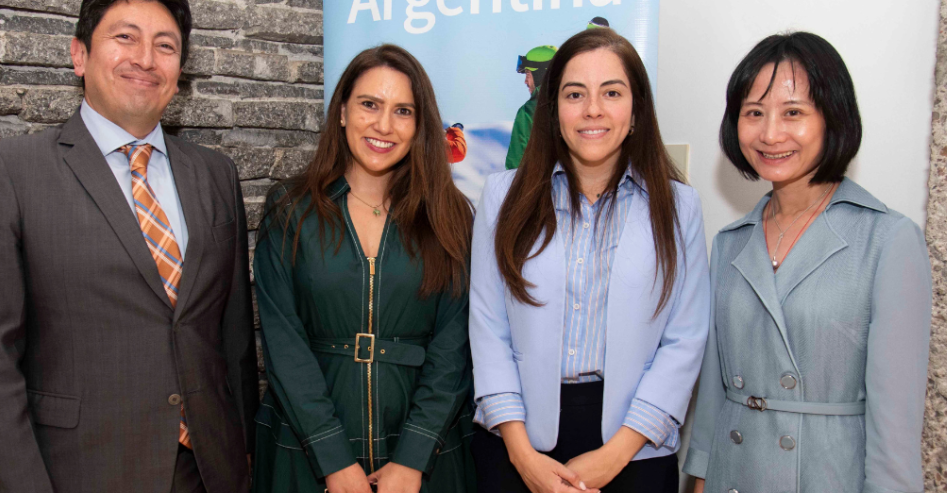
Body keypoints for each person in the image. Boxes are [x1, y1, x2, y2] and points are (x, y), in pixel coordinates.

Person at [0, 0, 258, 493]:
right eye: (124, 37)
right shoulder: (9, 171)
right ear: (79, 55)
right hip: (80, 471)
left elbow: (232, 337)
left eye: (165, 45)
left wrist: (243, 453)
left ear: (180, 70)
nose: (145, 59)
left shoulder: (214, 173)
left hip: (209, 470)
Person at [681, 32, 932, 493]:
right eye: (754, 113)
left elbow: (894, 426)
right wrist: (698, 474)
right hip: (732, 475)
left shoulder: (887, 240)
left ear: (832, 118)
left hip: (827, 475)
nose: (770, 133)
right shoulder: (730, 243)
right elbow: (714, 392)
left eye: (793, 112)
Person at [470, 28, 710, 493]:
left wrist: (616, 455)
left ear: (636, 109)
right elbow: (487, 327)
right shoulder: (503, 197)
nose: (592, 109)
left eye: (612, 93)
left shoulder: (680, 207)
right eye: (574, 93)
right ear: (554, 109)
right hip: (515, 439)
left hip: (635, 444)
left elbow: (685, 340)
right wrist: (522, 455)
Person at [252, 45, 476, 493]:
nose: (384, 125)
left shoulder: (451, 215)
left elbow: (454, 348)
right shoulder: (290, 209)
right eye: (369, 105)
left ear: (419, 126)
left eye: (403, 111)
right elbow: (283, 344)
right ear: (341, 111)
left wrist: (412, 459)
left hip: (424, 456)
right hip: (306, 450)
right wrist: (333, 459)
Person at [504, 44, 557, 169]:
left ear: (540, 75)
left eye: (528, 73)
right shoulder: (575, 101)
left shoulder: (529, 111)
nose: (526, 81)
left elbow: (516, 163)